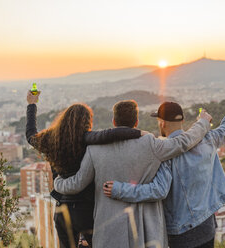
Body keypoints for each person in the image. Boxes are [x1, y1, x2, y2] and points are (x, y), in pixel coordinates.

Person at [54, 99, 213, 248]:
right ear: (136, 122)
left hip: (108, 233)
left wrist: (57, 182)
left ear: (114, 121)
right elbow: (184, 142)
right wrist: (203, 123)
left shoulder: (94, 149)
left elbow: (77, 184)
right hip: (147, 233)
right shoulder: (151, 145)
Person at [103, 83, 225, 248]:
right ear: (183, 120)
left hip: (182, 234)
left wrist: (119, 190)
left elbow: (158, 190)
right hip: (207, 227)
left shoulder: (164, 153)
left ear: (161, 123)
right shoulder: (208, 140)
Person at [26, 91, 143, 248]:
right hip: (86, 209)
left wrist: (32, 104)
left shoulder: (51, 141)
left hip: (62, 208)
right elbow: (112, 134)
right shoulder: (88, 139)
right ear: (87, 121)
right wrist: (141, 134)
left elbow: (30, 134)